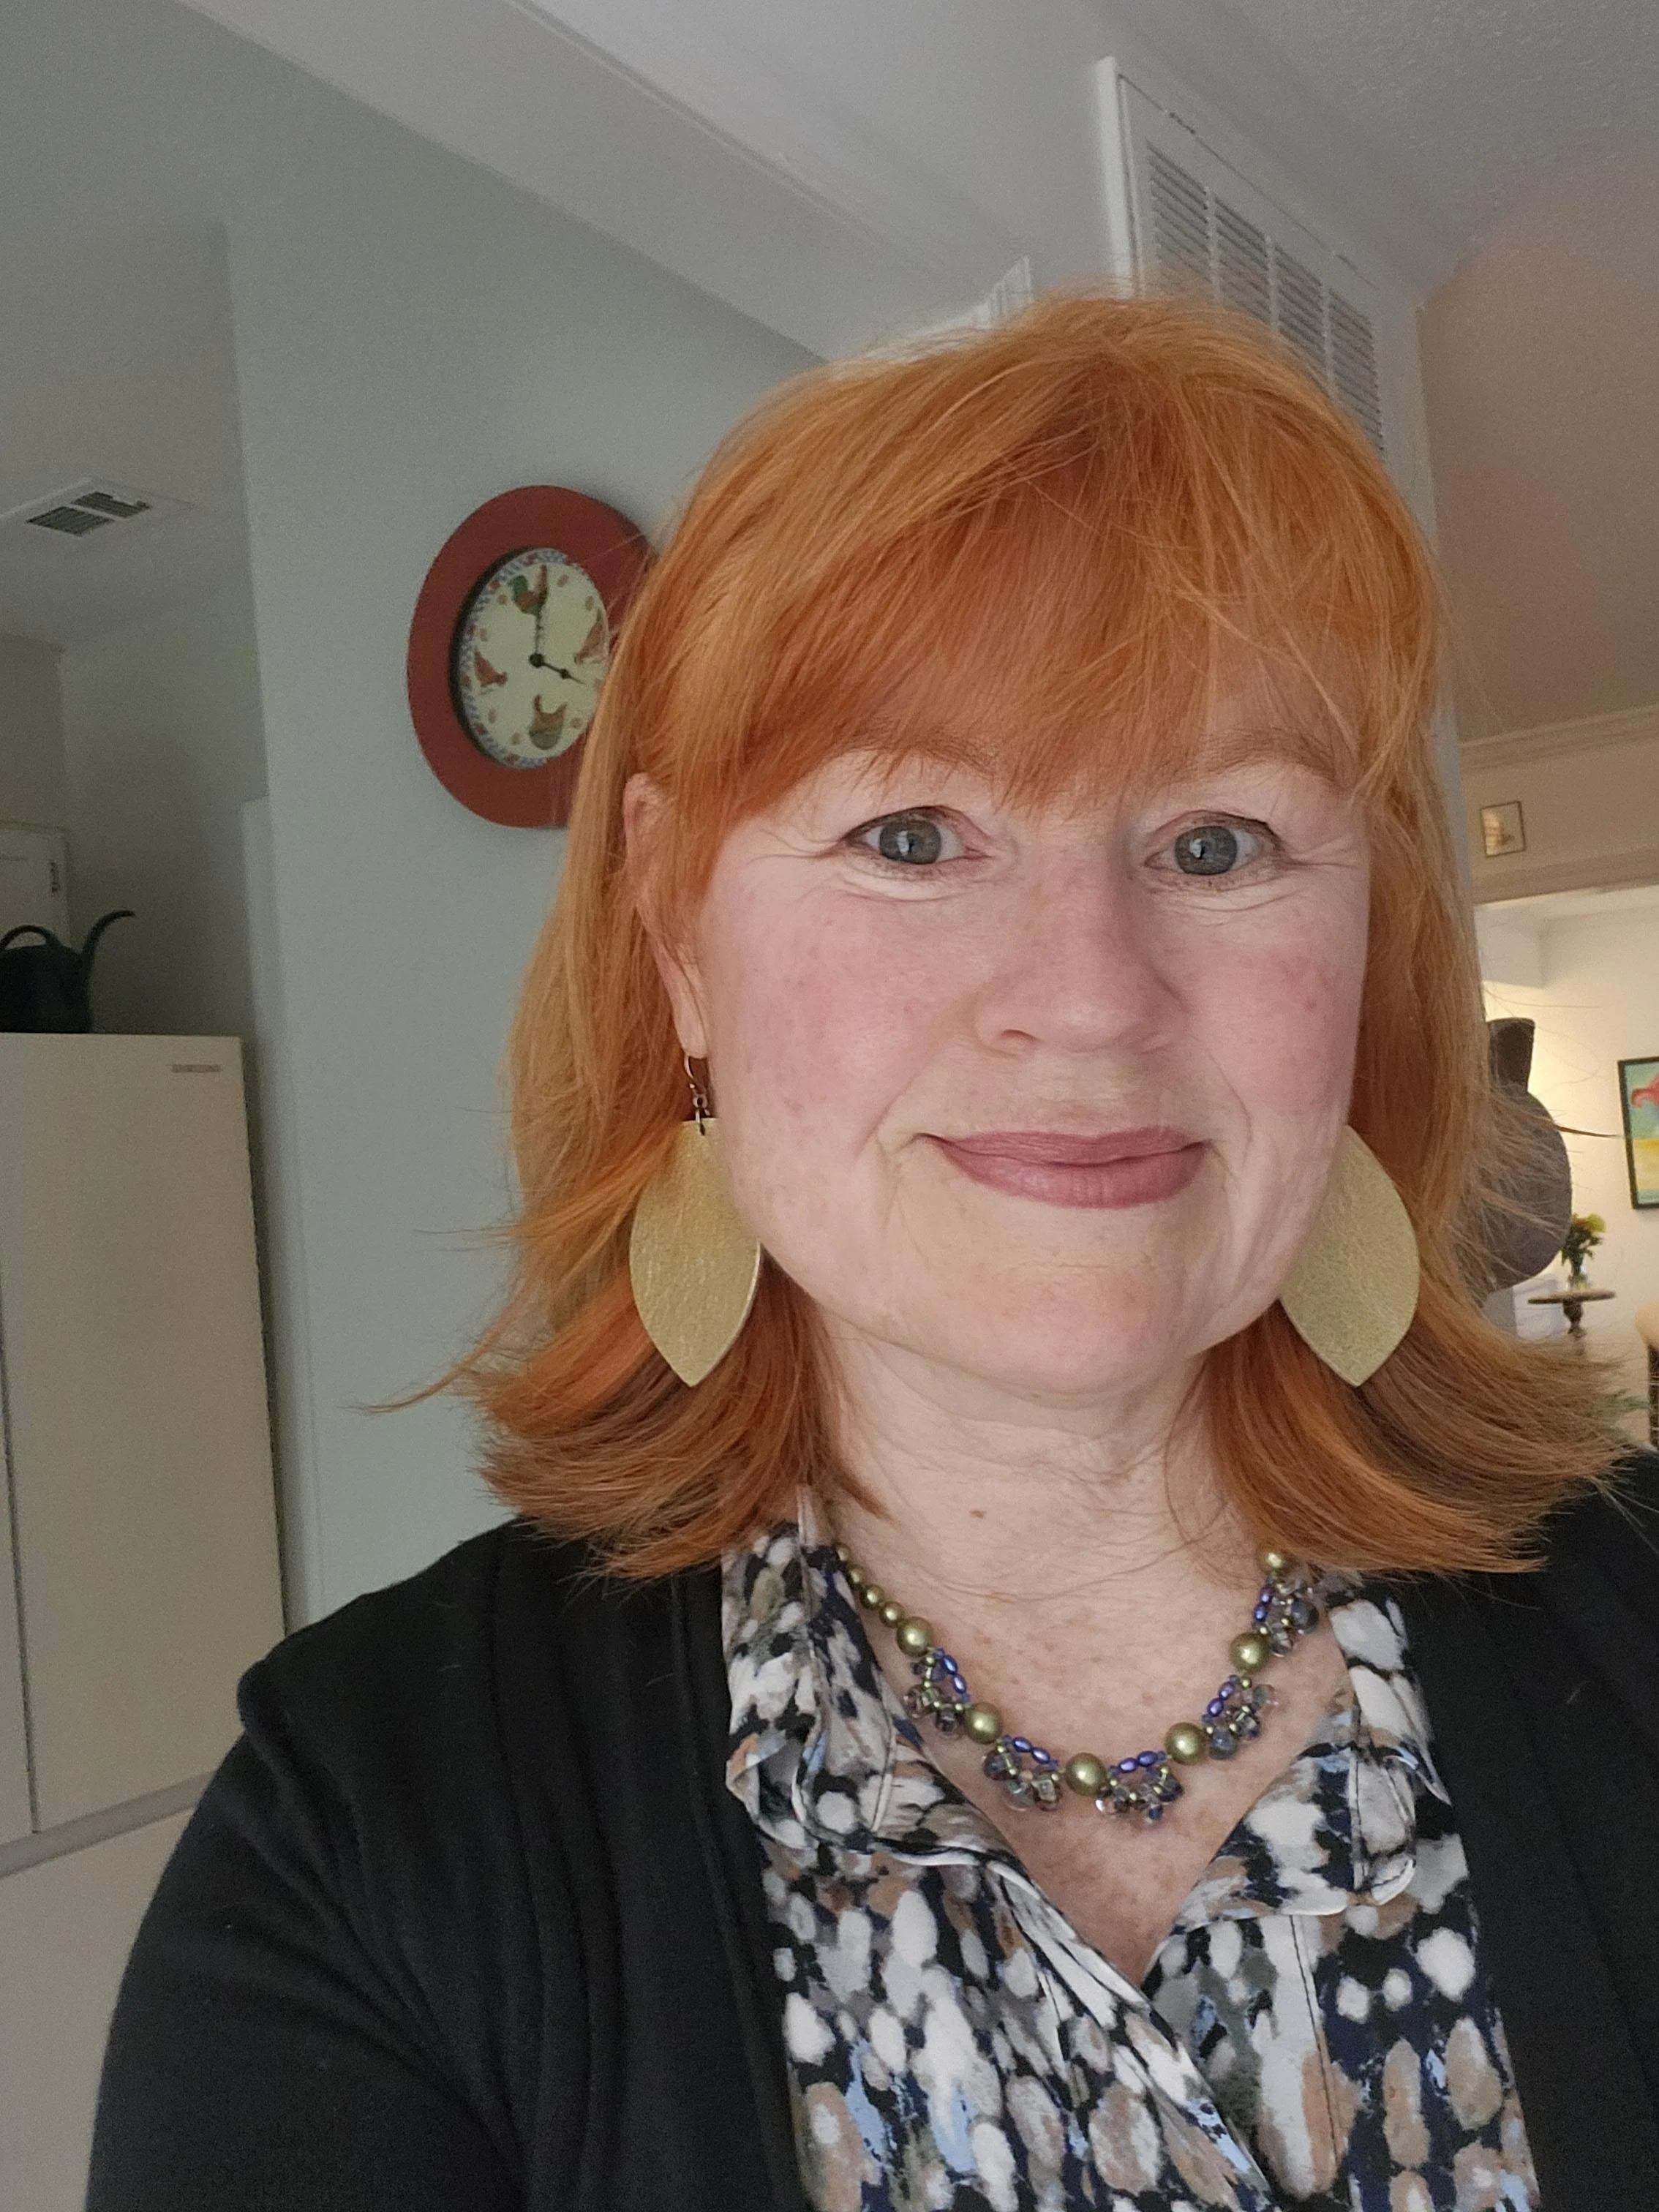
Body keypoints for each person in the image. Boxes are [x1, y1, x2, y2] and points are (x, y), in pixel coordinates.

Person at [89, 292, 1659, 2212]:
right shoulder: (367, 1837)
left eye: (1219, 843)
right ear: (677, 936)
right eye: (913, 835)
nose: (1086, 1002)